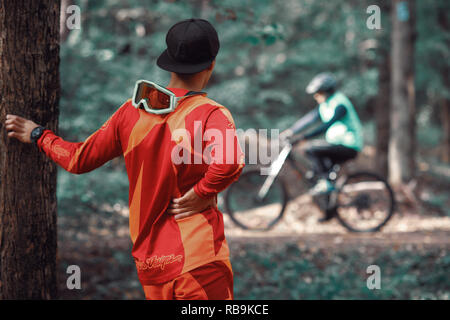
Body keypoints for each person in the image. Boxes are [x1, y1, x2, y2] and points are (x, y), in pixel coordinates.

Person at [5, 18, 244, 300]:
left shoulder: (130, 112)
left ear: (166, 61)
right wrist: (203, 192)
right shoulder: (211, 113)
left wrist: (38, 135)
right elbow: (230, 161)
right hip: (199, 261)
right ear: (211, 64)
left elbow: (78, 159)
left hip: (151, 267)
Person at [281, 73, 363, 221]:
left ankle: (325, 183)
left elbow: (327, 125)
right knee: (320, 178)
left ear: (327, 91)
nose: (316, 96)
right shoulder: (325, 105)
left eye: (318, 93)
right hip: (336, 145)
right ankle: (329, 212)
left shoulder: (340, 104)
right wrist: (292, 131)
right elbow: (308, 120)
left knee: (311, 149)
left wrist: (304, 138)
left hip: (348, 146)